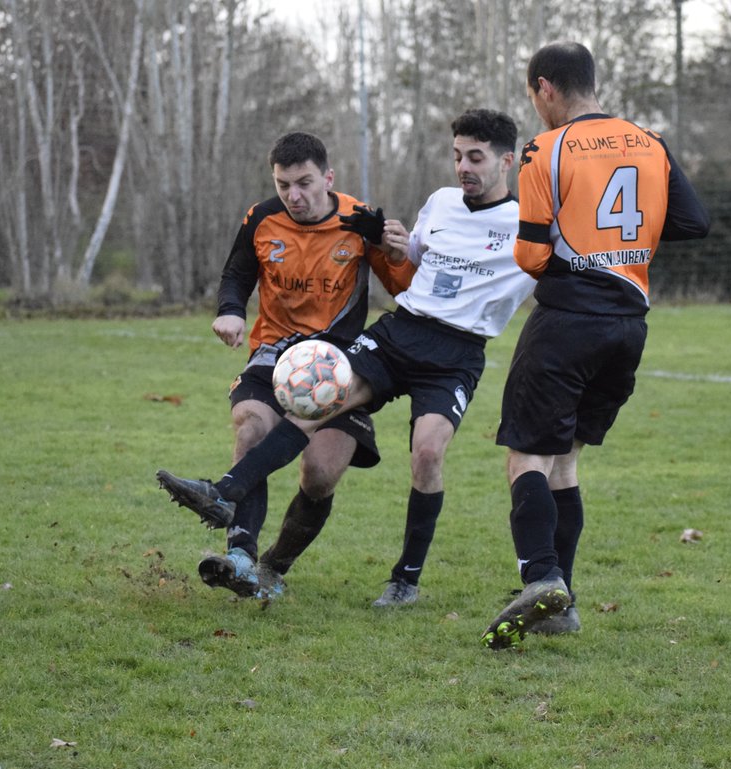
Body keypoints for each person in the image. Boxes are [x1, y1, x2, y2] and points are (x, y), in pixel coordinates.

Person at [158, 109, 535, 607]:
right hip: (394, 332)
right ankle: (228, 508)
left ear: (506, 160)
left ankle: (404, 580)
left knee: (417, 455)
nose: (462, 166)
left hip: (456, 353)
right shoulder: (441, 202)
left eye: (475, 157)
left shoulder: (529, 223)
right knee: (297, 410)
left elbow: (542, 273)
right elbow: (416, 270)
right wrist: (397, 246)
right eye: (457, 155)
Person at [481, 42, 711, 649]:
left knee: (524, 457)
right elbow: (694, 223)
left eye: (534, 96)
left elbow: (531, 254)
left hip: (567, 322)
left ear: (545, 88)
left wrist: (575, 241)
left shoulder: (545, 149)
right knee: (565, 461)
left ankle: (540, 577)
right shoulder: (649, 141)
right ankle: (562, 605)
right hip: (628, 327)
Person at [157, 131, 414, 600]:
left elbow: (402, 288)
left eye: (304, 183)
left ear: (328, 178)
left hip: (338, 366)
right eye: (283, 185)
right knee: (250, 425)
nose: (294, 196)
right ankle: (240, 555)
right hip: (275, 352)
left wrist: (398, 253)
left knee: (320, 474)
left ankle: (274, 565)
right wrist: (231, 308)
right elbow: (237, 271)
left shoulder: (360, 221)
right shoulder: (262, 217)